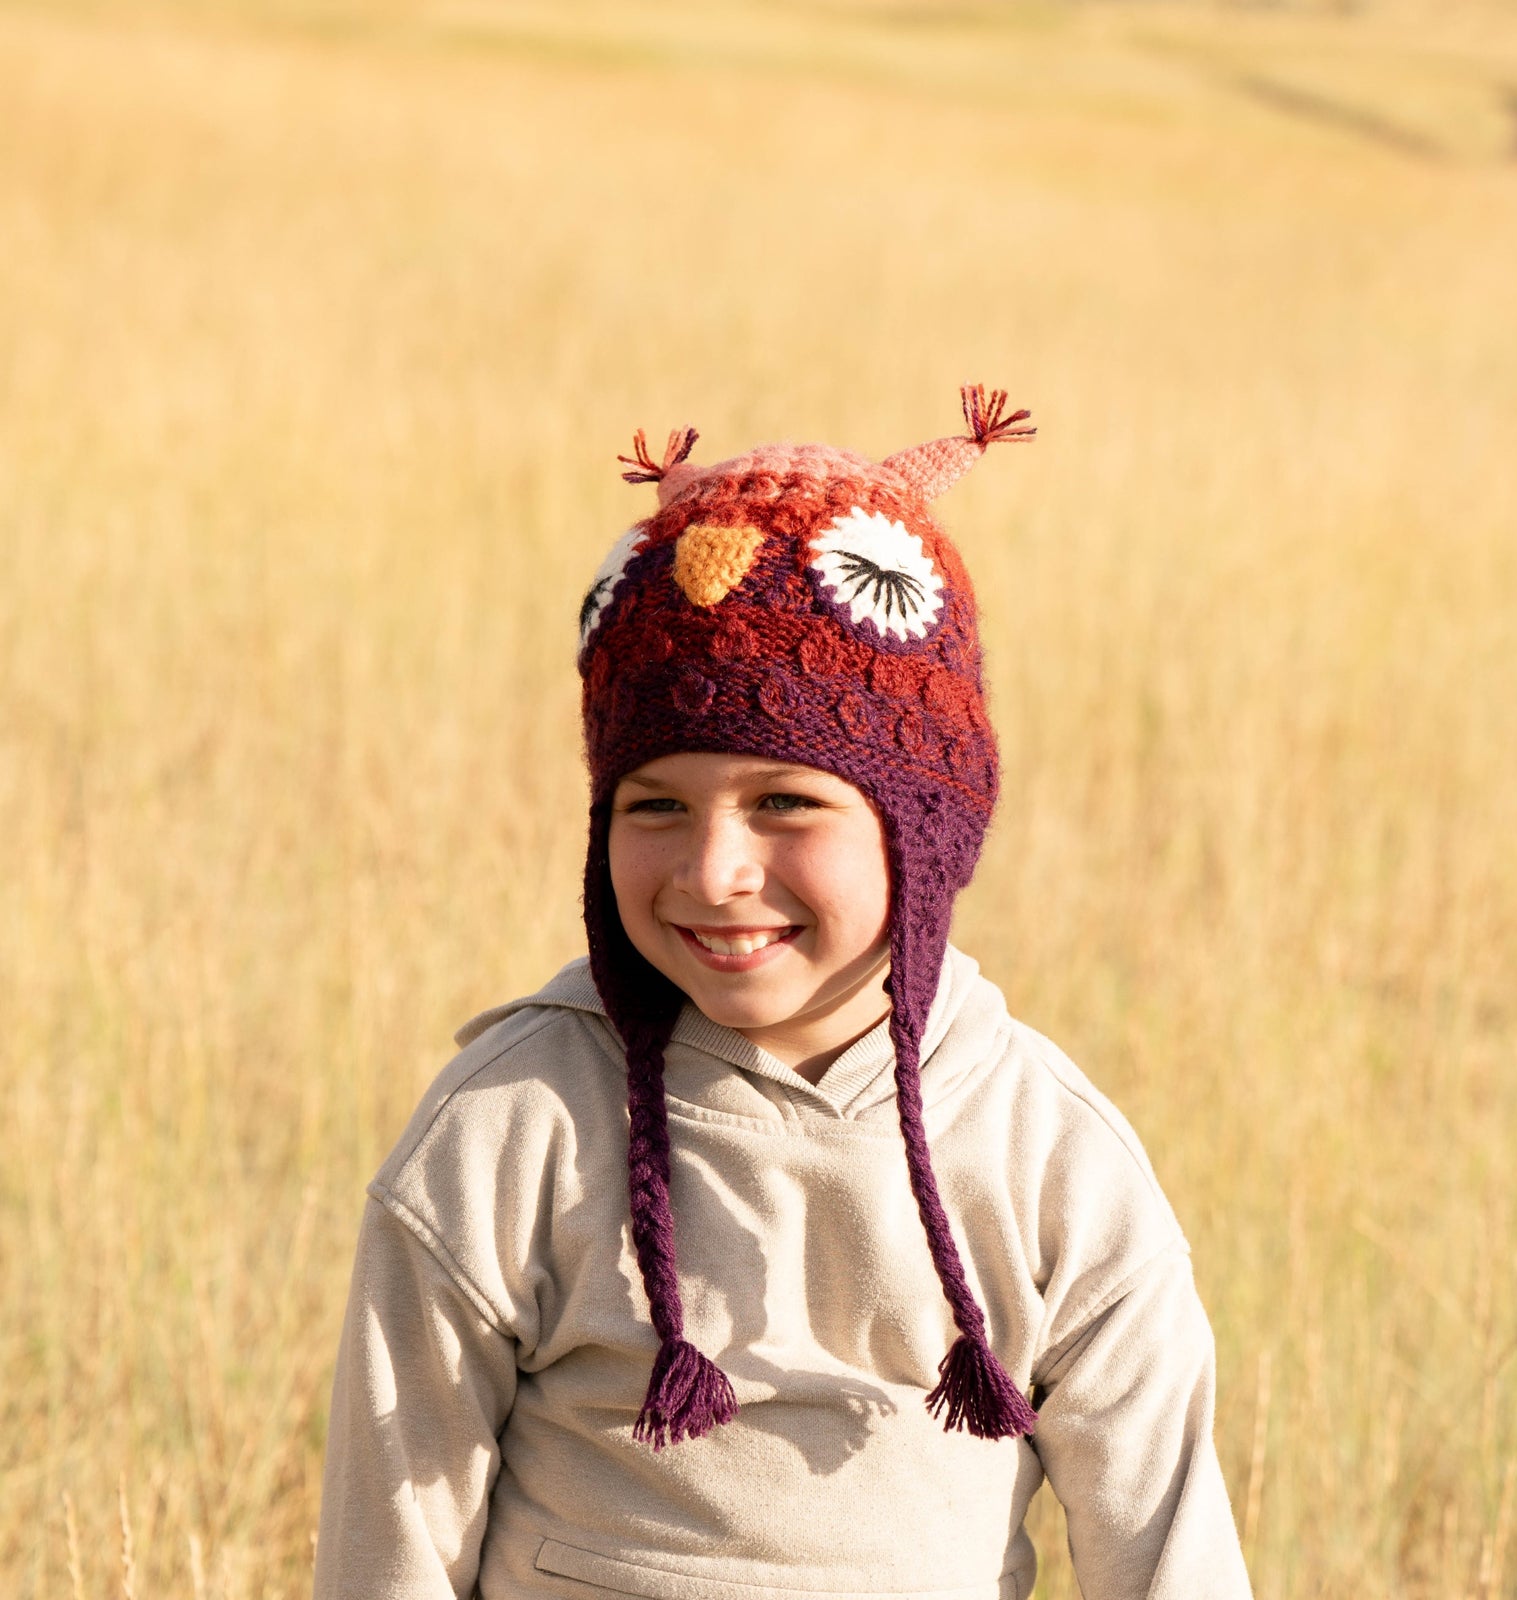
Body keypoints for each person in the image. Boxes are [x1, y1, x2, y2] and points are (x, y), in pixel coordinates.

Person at [312, 388, 1254, 1600]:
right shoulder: (510, 1128)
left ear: (923, 830)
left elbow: (1170, 1562)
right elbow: (384, 1558)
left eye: (786, 802)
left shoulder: (1046, 1157)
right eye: (654, 805)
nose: (714, 872)